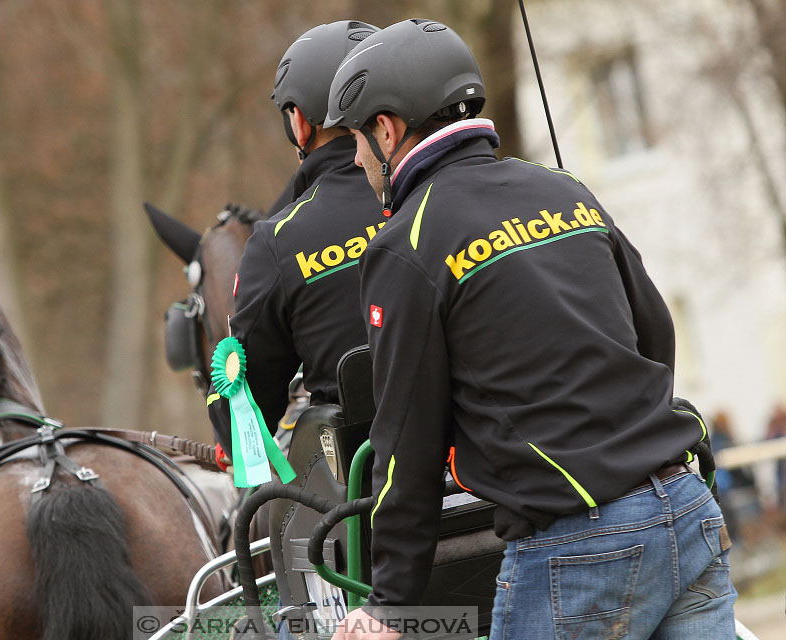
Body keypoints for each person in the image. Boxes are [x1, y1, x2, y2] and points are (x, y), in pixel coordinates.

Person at [325, 19, 736, 639]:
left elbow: (406, 441)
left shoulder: (406, 241)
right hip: (689, 507)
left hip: (578, 550)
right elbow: (654, 333)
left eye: (357, 138)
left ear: (387, 129)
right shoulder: (565, 189)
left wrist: (390, 605)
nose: (355, 157)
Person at [207, 20, 385, 459]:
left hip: (370, 495)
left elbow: (244, 426)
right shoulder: (459, 193)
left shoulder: (278, 242)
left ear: (299, 123)